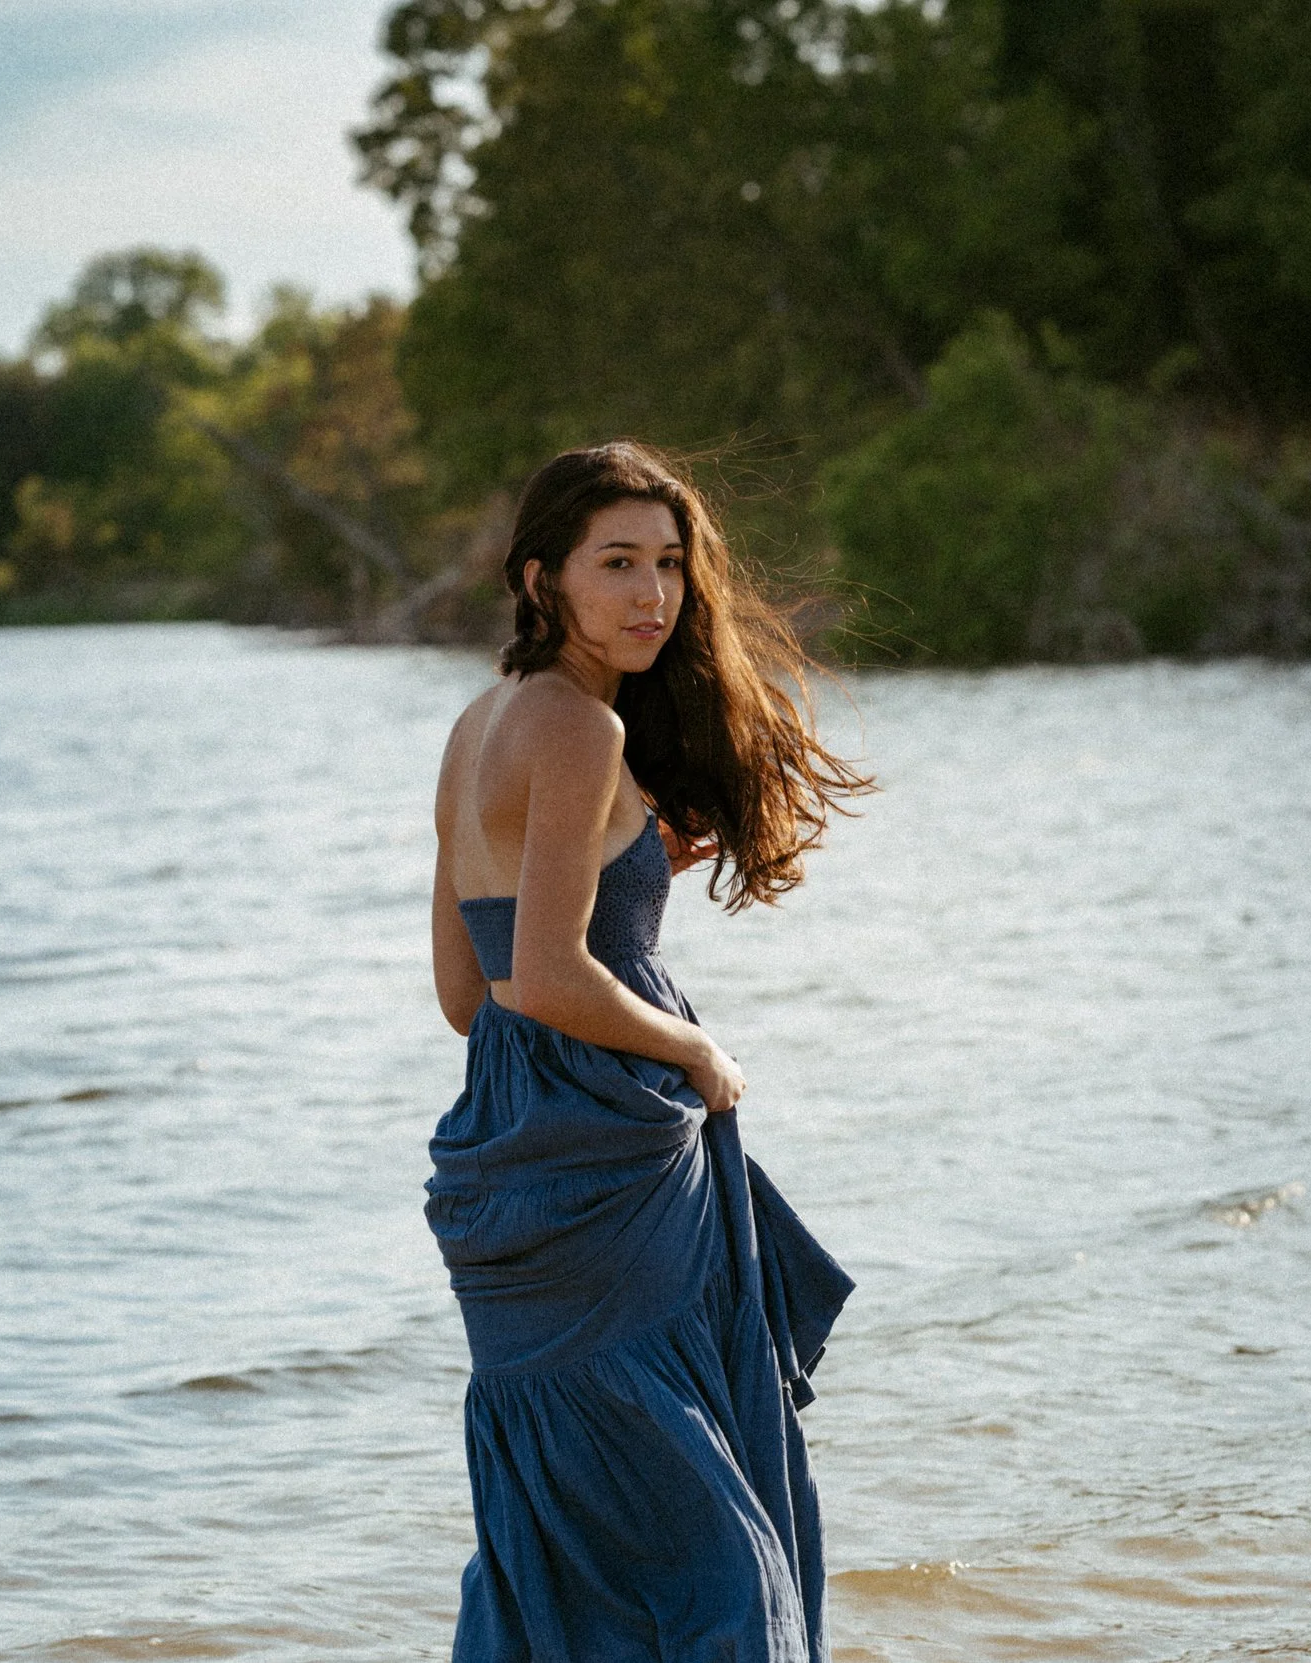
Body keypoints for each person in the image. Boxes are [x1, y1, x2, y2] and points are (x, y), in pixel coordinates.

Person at [427, 441, 872, 1662]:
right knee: (705, 1539)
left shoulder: (477, 725)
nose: (652, 596)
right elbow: (552, 976)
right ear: (540, 581)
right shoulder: (577, 730)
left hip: (510, 1159)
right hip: (608, 1157)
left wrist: (626, 881)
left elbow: (469, 993)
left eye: (669, 565)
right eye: (615, 563)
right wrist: (698, 1050)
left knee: (576, 1524)